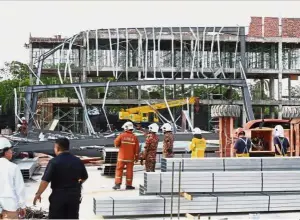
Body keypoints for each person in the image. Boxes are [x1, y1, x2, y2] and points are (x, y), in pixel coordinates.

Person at [33, 138, 88, 219]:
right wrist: (77, 184)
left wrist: (38, 194)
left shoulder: (54, 162)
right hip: (74, 196)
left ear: (57, 147)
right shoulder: (77, 160)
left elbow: (45, 181)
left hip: (58, 196)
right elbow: (84, 177)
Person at [0, 137, 26, 219]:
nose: (12, 152)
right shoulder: (13, 167)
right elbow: (19, 188)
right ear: (6, 152)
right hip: (10, 207)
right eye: (11, 150)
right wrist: (22, 206)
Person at [113, 121, 139, 190]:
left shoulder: (121, 135)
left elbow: (116, 143)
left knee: (119, 170)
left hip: (121, 157)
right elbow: (137, 150)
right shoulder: (134, 137)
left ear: (126, 128)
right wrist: (136, 158)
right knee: (129, 171)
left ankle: (117, 184)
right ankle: (129, 185)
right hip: (130, 158)